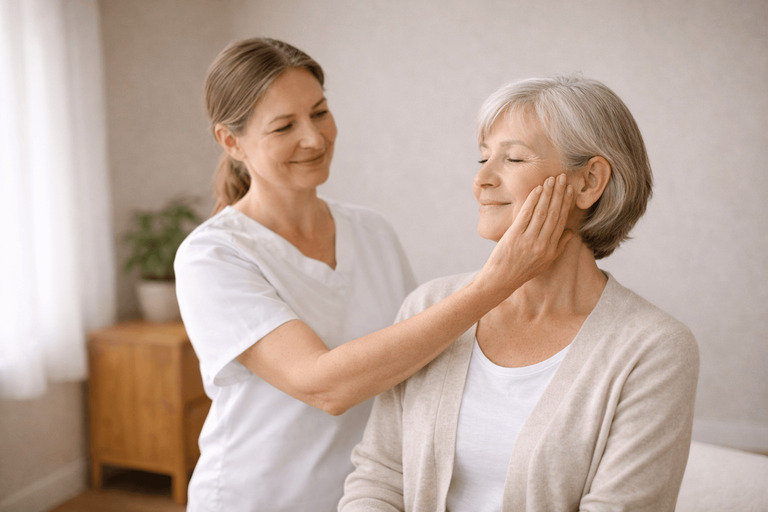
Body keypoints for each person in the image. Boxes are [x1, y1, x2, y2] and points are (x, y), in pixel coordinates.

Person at [173, 38, 573, 512]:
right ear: (230, 141)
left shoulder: (371, 231)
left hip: (368, 495)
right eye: (284, 126)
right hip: (258, 499)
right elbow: (324, 385)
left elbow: (418, 358)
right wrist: (498, 281)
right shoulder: (212, 256)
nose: (314, 139)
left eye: (320, 113)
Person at [339, 75, 700, 512]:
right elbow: (379, 478)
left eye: (512, 158)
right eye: (483, 157)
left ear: (589, 181)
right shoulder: (430, 305)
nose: (481, 179)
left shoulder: (654, 349)